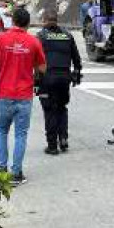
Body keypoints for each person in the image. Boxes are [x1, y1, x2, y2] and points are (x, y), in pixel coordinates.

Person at [0, 7, 46, 186]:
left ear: (12, 21)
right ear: (28, 24)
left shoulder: (0, 39)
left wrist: (5, 59)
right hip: (24, 95)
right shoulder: (33, 41)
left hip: (4, 93)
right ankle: (16, 174)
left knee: (1, 130)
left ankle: (1, 169)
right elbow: (42, 68)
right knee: (21, 134)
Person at [36, 10, 82, 155]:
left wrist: (35, 81)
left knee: (49, 110)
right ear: (56, 21)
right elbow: (76, 58)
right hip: (64, 78)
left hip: (47, 78)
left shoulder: (40, 36)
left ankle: (52, 146)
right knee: (61, 107)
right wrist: (76, 73)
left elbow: (34, 60)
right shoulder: (67, 35)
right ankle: (63, 139)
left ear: (44, 21)